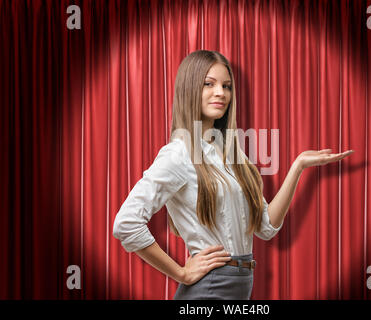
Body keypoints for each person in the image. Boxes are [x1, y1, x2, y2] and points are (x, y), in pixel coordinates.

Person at [112, 50, 354, 300]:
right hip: (211, 287)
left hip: (241, 284)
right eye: (209, 84)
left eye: (226, 86)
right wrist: (181, 273)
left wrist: (298, 166)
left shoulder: (232, 153)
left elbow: (266, 226)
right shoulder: (178, 153)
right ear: (190, 88)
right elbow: (126, 223)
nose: (221, 93)